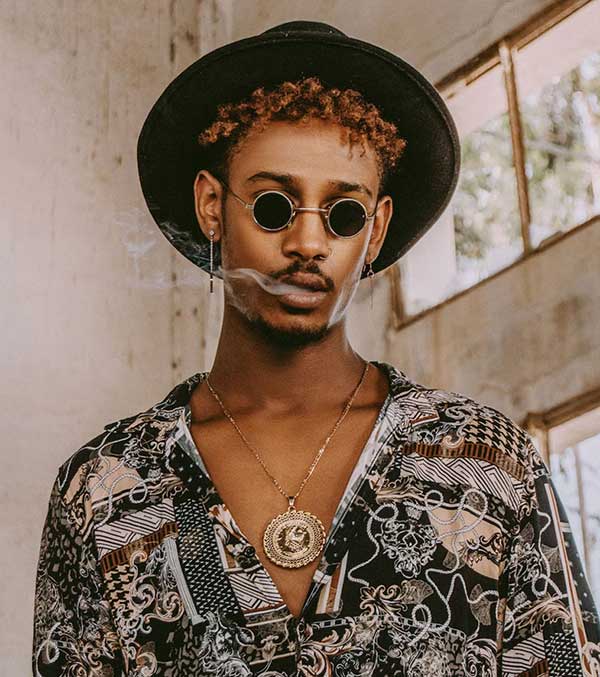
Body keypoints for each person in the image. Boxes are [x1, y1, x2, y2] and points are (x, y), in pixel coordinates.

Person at [32, 20, 600, 677]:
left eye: (344, 214)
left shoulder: (488, 463)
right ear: (212, 206)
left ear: (376, 229)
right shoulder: (105, 487)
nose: (308, 244)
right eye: (273, 206)